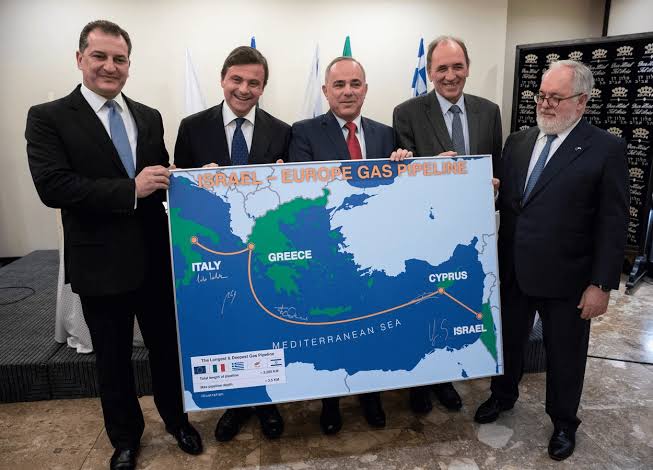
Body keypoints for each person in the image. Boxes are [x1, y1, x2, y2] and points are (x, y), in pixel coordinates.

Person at [25, 20, 202, 470]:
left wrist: (192, 180)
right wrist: (130, 189)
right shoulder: (48, 118)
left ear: (128, 64)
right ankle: (124, 439)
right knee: (113, 360)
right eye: (100, 56)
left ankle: (177, 421)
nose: (110, 66)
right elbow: (53, 186)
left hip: (156, 260)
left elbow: (157, 178)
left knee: (167, 351)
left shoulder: (148, 115)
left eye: (119, 59)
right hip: (100, 265)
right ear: (79, 58)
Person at [474, 60, 628, 461]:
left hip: (568, 278)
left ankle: (563, 422)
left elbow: (613, 223)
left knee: (565, 354)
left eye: (555, 98)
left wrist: (601, 284)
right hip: (513, 270)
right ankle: (502, 395)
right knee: (508, 341)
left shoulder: (605, 149)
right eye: (541, 95)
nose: (545, 104)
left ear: (581, 102)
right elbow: (511, 201)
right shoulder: (518, 141)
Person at [174, 46, 290, 442]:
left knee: (264, 324)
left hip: (264, 251)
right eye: (236, 79)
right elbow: (180, 195)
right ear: (222, 79)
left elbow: (289, 196)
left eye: (253, 83)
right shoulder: (192, 127)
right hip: (214, 251)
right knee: (228, 324)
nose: (244, 89)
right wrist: (199, 183)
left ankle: (266, 400)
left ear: (263, 87)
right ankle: (237, 402)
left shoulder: (282, 131)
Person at [289, 56, 410, 435]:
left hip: (376, 252)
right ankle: (330, 400)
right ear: (326, 91)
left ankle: (371, 394)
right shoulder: (304, 133)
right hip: (329, 252)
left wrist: (404, 165)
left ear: (365, 89)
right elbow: (302, 192)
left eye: (355, 84)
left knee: (373, 325)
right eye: (339, 85)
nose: (347, 92)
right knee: (332, 326)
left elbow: (397, 194)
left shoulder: (386, 134)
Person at [392, 35, 503, 415]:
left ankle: (446, 377)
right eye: (442, 68)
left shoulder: (489, 111)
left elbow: (496, 168)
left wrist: (494, 186)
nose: (450, 75)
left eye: (457, 66)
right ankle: (420, 384)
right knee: (423, 304)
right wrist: (431, 170)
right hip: (426, 233)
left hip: (470, 234)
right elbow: (402, 180)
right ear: (429, 72)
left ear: (468, 68)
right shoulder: (406, 113)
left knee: (458, 304)